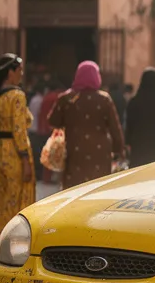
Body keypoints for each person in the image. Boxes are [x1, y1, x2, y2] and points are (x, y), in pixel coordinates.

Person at [0, 54, 35, 262]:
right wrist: (26, 161)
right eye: (19, 71)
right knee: (14, 203)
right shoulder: (16, 96)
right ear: (10, 72)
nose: (21, 75)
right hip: (13, 154)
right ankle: (11, 251)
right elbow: (19, 130)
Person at [47, 61, 124, 190]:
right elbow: (115, 129)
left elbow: (52, 121)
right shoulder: (104, 99)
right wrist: (118, 150)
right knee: (98, 189)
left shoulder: (66, 98)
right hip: (100, 153)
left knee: (75, 189)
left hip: (75, 151)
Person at [37, 80, 63, 183]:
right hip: (55, 130)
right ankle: (57, 178)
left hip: (44, 128)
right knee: (57, 153)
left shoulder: (46, 97)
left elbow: (41, 113)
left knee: (47, 153)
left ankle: (46, 178)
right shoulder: (58, 97)